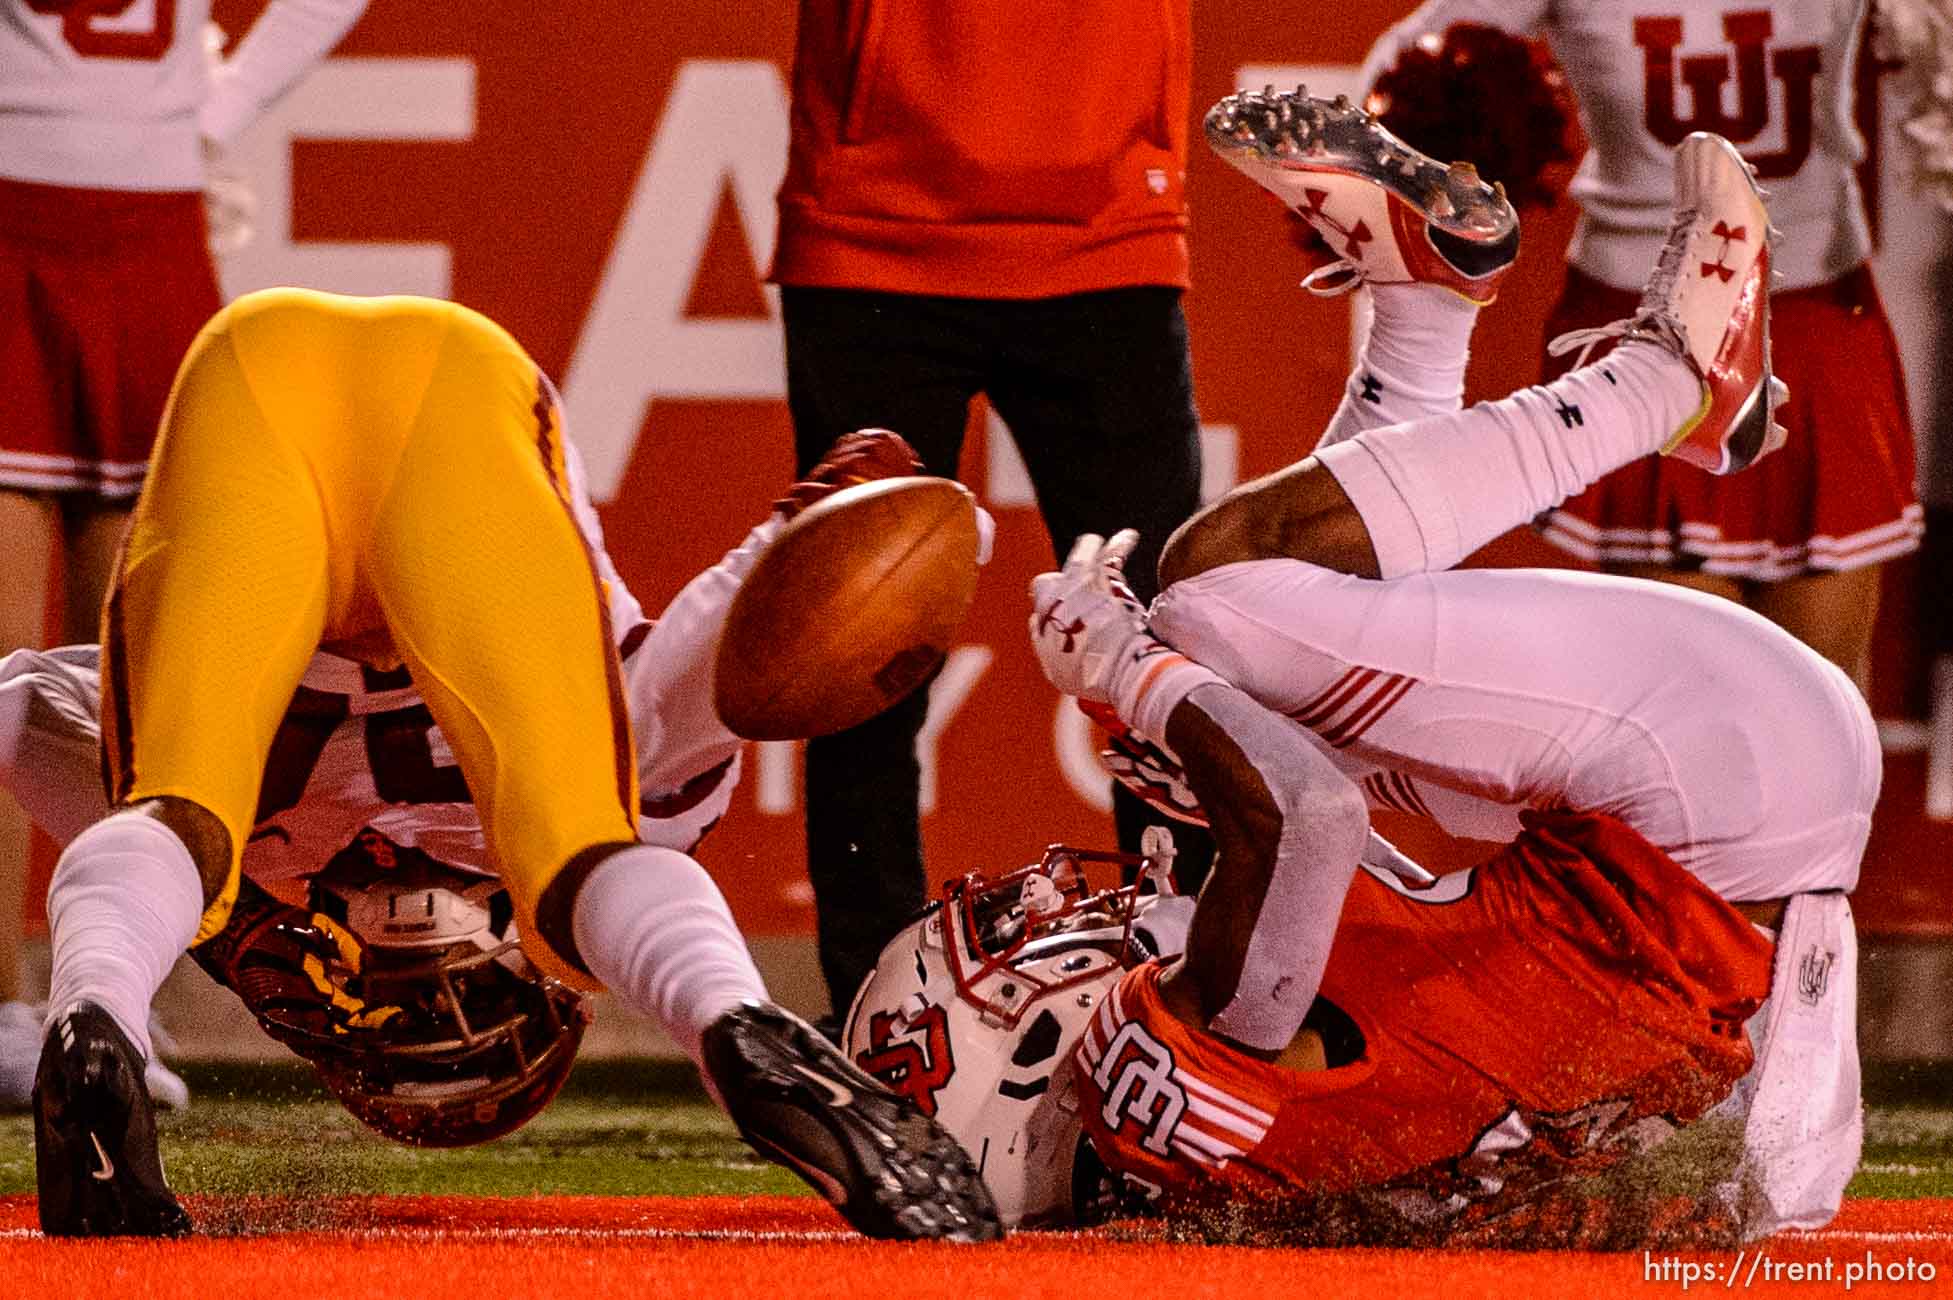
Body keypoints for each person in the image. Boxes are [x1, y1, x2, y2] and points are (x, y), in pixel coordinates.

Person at [852, 94, 1867, 1243]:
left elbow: (1347, 819)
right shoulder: (1154, 1097)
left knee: (1259, 665)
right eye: (1003, 958)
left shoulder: (1222, 1133)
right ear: (1021, 1061)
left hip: (1734, 840)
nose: (1041, 913)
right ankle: (1668, 382)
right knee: (1206, 599)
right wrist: (1135, 670)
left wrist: (1215, 725)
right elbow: (1314, 814)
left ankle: (1424, 304)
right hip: (1707, 795)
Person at [19, 288, 1000, 1242]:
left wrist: (894, 520)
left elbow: (762, 611)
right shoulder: (252, 870)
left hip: (264, 375)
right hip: (423, 399)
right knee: (546, 854)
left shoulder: (251, 874)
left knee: (191, 822)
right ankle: (98, 1003)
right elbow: (25, 715)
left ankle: (733, 1016)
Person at [769, 0, 1210, 1013]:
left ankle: (1194, 1016)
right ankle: (876, 1033)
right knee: (859, 665)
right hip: (875, 222)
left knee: (1168, 650)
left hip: (1108, 226)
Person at [0, 0, 373, 1106]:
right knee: (4, 675)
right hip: (13, 210)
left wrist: (223, 97)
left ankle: (101, 1001)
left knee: (140, 689)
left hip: (152, 220)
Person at [1358, 0, 1919, 686]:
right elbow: (1408, 72)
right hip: (1647, 322)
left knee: (1825, 689)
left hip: (1813, 307)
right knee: (1696, 685)